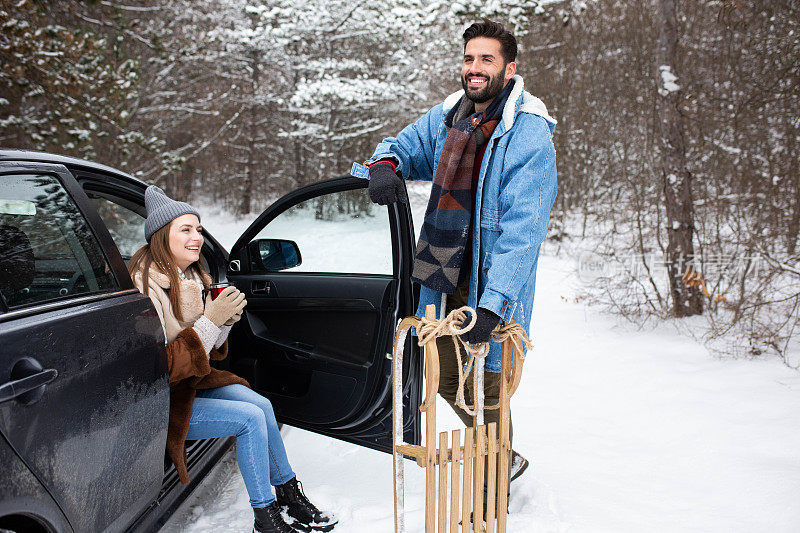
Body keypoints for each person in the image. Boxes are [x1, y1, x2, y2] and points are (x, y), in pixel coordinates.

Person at [366, 19, 557, 500]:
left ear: (509, 69)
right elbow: (404, 146)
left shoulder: (527, 134)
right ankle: (502, 454)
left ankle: (493, 499)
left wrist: (493, 306)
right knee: (446, 376)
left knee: (489, 390)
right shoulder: (451, 115)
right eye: (469, 58)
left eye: (486, 60)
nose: (474, 69)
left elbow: (523, 231)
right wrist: (385, 165)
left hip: (488, 285)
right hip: (443, 276)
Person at [129, 186, 337, 533]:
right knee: (249, 419)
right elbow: (162, 367)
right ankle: (265, 517)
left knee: (261, 405)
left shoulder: (190, 278)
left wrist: (223, 323)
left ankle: (289, 493)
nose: (197, 237)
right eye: (186, 229)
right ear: (162, 235)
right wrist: (211, 321)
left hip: (190, 385)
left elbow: (204, 352)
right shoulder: (146, 285)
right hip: (163, 401)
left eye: (198, 228)